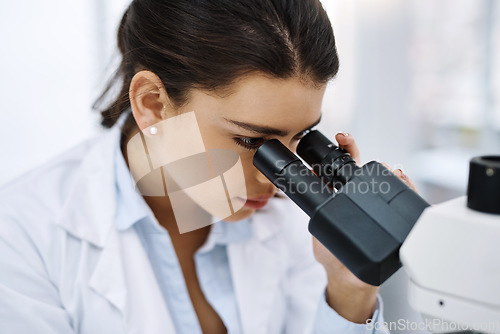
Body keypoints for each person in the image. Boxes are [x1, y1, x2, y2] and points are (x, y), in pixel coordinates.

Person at [0, 0, 415, 333]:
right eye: (250, 141)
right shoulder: (21, 235)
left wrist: (348, 289)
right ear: (152, 104)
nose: (274, 179)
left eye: (299, 141)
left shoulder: (292, 226)